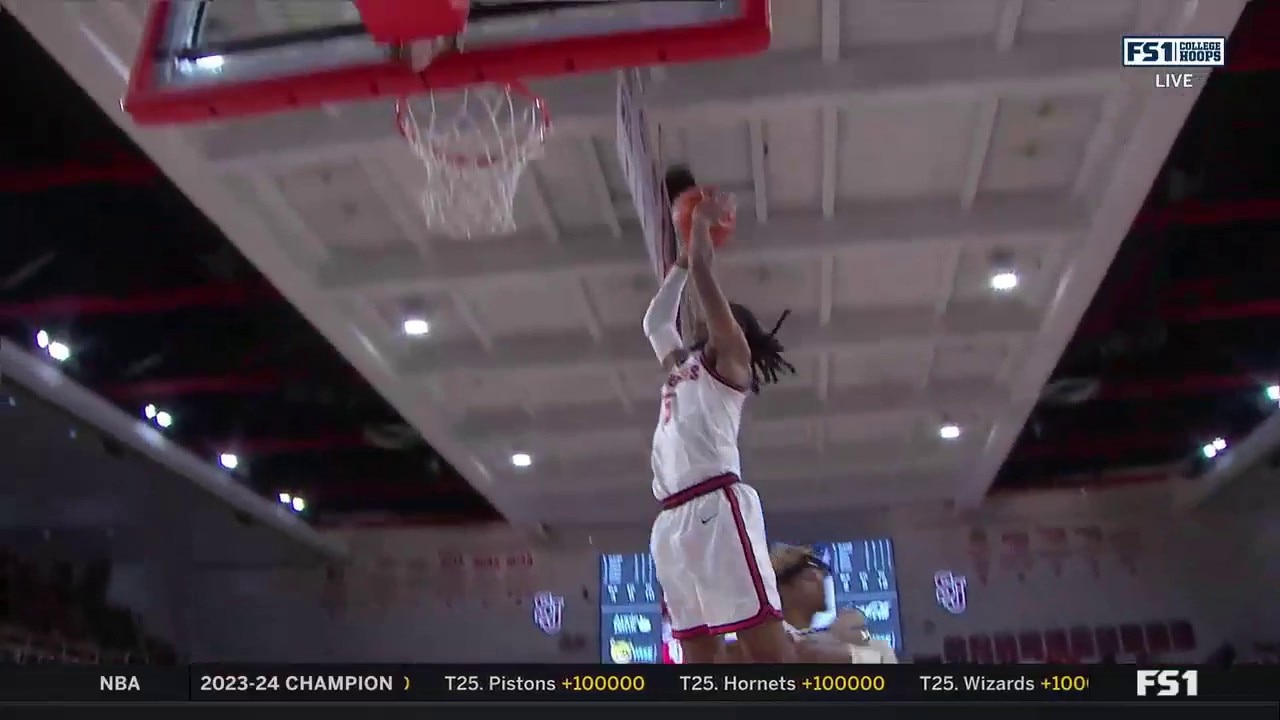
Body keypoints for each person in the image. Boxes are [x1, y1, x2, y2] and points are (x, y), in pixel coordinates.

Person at [644, 166, 797, 664]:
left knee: (767, 653)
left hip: (720, 508)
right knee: (697, 661)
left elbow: (708, 280)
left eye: (726, 316)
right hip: (670, 521)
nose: (716, 318)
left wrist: (701, 228)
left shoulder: (732, 362)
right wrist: (681, 264)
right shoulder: (680, 370)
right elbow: (654, 323)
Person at [771, 544, 899, 663]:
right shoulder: (776, 644)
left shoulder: (844, 638)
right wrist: (836, 641)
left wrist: (862, 640)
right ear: (782, 588)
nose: (821, 582)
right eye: (810, 576)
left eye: (823, 575)